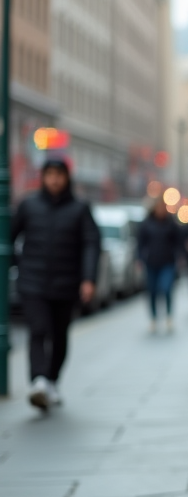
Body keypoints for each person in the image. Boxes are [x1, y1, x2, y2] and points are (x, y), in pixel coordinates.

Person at [11, 159, 100, 411]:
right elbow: (9, 237)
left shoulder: (80, 208)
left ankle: (52, 380)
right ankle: (38, 380)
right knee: (38, 329)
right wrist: (21, 265)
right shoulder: (28, 205)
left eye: (58, 174)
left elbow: (91, 243)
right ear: (43, 177)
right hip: (33, 282)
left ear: (66, 177)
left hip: (66, 283)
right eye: (49, 174)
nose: (54, 179)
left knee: (59, 335)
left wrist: (88, 278)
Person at [137, 197, 182, 333]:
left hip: (167, 262)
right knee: (152, 291)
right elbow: (140, 243)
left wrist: (178, 257)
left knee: (166, 288)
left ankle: (168, 316)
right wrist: (139, 259)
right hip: (151, 263)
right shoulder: (146, 224)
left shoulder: (171, 224)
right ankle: (154, 318)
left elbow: (178, 241)